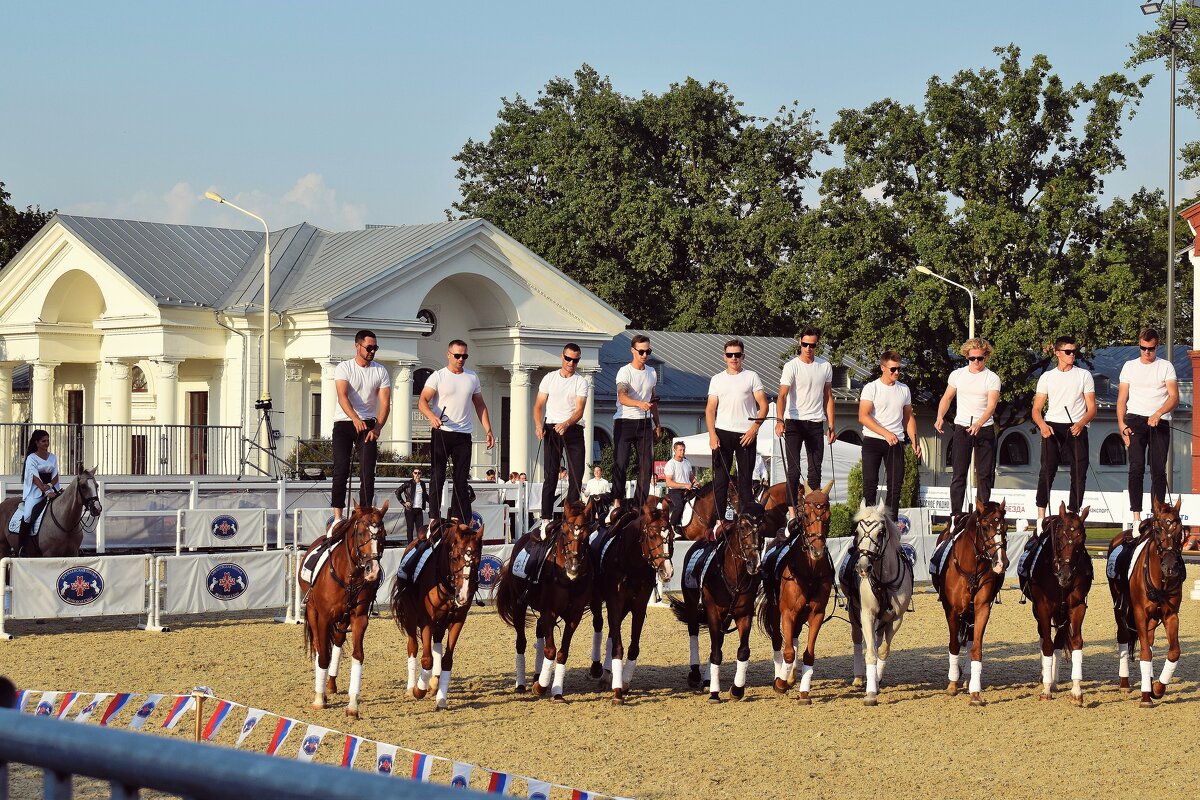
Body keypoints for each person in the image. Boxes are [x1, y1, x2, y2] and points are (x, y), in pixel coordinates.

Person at [418, 339, 495, 524]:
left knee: (461, 479)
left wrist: (488, 430)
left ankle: (458, 517)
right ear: (448, 354)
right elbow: (422, 401)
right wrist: (431, 416)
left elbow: (480, 405)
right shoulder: (438, 376)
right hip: (442, 430)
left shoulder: (472, 377)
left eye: (464, 356)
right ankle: (434, 517)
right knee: (438, 476)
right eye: (457, 355)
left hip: (463, 434)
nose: (461, 359)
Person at [329, 329, 392, 536]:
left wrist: (378, 427)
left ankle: (365, 514)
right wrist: (354, 418)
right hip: (345, 422)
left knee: (367, 472)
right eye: (369, 347)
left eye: (375, 348)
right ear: (358, 346)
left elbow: (385, 403)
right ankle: (338, 517)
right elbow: (342, 396)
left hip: (367, 425)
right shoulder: (344, 367)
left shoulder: (380, 371)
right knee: (341, 470)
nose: (372, 351)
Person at [1117, 327, 1179, 530]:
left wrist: (1159, 413)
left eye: (1150, 349)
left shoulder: (1165, 366)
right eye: (1143, 348)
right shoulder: (1129, 366)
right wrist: (1121, 424)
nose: (1146, 352)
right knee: (1136, 468)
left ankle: (1158, 515)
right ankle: (1136, 517)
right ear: (1139, 345)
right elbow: (1122, 398)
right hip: (1135, 420)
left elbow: (1174, 397)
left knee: (1158, 470)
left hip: (1158, 422)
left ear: (1157, 346)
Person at [706, 339, 769, 536]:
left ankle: (744, 519)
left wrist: (754, 429)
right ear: (724, 356)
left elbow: (763, 405)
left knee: (745, 480)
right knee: (721, 480)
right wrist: (712, 434)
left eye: (738, 355)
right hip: (722, 433)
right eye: (730, 355)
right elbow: (710, 409)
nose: (734, 358)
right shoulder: (717, 379)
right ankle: (719, 521)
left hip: (746, 433)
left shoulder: (751, 376)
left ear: (744, 356)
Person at [934, 338, 1001, 516]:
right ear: (967, 357)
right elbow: (947, 398)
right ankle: (956, 515)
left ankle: (982, 514)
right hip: (962, 427)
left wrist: (979, 423)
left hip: (984, 427)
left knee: (984, 475)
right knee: (959, 474)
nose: (977, 362)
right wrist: (940, 416)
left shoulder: (992, 378)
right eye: (973, 359)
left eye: (980, 358)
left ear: (986, 356)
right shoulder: (957, 375)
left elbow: (992, 406)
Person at [1032, 336, 1096, 523]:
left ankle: (1073, 513)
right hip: (1052, 425)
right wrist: (1043, 425)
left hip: (1076, 425)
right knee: (1047, 470)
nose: (1072, 355)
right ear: (1057, 353)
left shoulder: (1084, 375)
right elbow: (1036, 410)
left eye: (1074, 351)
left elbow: (1092, 408)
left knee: (1079, 471)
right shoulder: (1047, 377)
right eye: (1068, 352)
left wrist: (1082, 423)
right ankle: (1040, 515)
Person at [532, 344, 589, 538]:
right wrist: (538, 425)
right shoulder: (550, 378)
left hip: (572, 428)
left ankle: (571, 517)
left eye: (575, 360)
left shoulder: (580, 381)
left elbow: (580, 410)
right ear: (561, 357)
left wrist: (567, 423)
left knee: (576, 475)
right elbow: (539, 405)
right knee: (550, 475)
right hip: (552, 428)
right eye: (568, 359)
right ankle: (546, 519)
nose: (571, 363)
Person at [858, 351, 921, 522]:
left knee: (895, 486)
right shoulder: (872, 388)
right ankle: (868, 522)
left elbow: (908, 417)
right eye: (893, 369)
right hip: (873, 440)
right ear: (883, 368)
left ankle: (891, 524)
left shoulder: (904, 389)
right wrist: (885, 433)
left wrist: (915, 441)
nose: (896, 373)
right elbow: (863, 416)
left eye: (899, 369)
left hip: (896, 442)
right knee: (870, 484)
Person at [775, 327, 835, 502]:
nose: (808, 348)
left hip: (816, 422)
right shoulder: (791, 366)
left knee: (815, 471)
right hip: (794, 422)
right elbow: (782, 395)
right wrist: (779, 421)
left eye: (812, 345)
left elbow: (828, 397)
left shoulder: (825, 366)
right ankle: (792, 513)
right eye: (805, 344)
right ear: (799, 343)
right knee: (793, 472)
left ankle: (813, 509)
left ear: (817, 345)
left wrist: (831, 425)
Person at [611, 335, 661, 515]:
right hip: (625, 422)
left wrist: (658, 424)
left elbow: (653, 400)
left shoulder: (652, 372)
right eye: (641, 351)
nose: (645, 355)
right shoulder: (624, 372)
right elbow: (622, 397)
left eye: (648, 351)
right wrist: (640, 404)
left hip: (645, 422)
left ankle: (639, 505)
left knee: (646, 465)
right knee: (621, 462)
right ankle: (616, 502)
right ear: (633, 350)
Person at [17, 429, 61, 557]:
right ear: (37, 442)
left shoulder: (53, 457)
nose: (46, 443)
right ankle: (21, 547)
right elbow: (35, 479)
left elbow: (56, 476)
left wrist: (50, 486)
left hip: (51, 488)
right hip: (35, 492)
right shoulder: (31, 458)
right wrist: (46, 491)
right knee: (28, 516)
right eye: (43, 441)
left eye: (47, 440)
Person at [663, 440, 698, 536]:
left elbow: (691, 477)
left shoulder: (687, 462)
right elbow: (668, 482)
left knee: (701, 498)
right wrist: (684, 485)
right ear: (674, 450)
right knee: (679, 505)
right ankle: (673, 526)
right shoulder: (670, 464)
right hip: (675, 490)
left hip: (688, 489)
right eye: (680, 450)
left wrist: (696, 482)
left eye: (683, 450)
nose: (682, 452)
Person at [395, 468, 429, 543]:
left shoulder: (422, 484)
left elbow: (425, 496)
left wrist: (433, 503)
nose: (417, 475)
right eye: (415, 473)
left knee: (420, 529)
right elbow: (397, 492)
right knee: (410, 528)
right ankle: (410, 545)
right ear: (413, 474)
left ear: (421, 474)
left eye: (419, 473)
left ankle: (420, 545)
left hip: (419, 510)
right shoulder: (408, 483)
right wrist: (404, 503)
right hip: (410, 509)